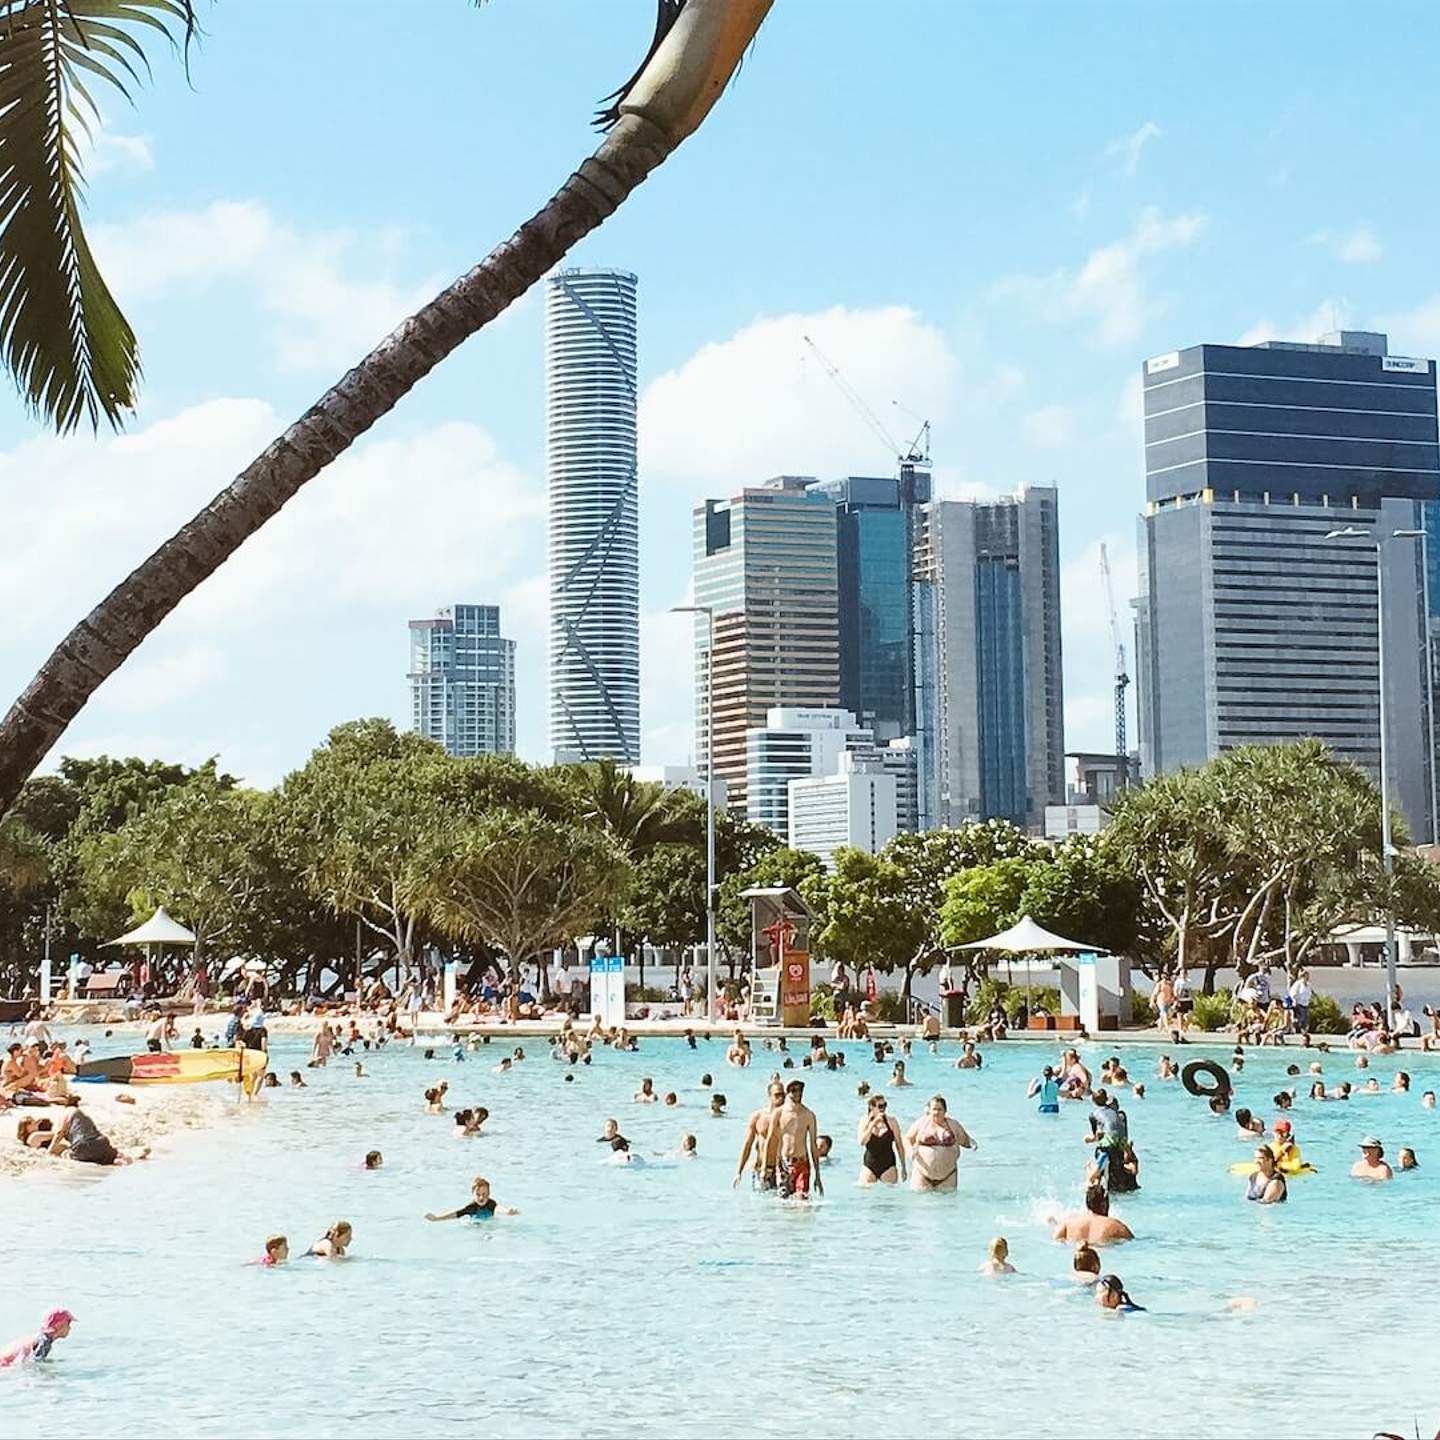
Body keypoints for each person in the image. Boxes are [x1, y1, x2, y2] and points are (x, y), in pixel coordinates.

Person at [905, 1095, 975, 1192]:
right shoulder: (921, 1123)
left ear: (945, 1111)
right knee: (921, 1206)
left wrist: (972, 1144)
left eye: (940, 1109)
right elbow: (908, 1139)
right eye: (934, 1109)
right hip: (922, 1175)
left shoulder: (953, 1125)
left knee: (947, 1206)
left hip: (948, 1176)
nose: (936, 1112)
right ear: (929, 1110)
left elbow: (965, 1140)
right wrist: (910, 1151)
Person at [772, 1079, 823, 1199]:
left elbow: (813, 1146)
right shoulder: (779, 1113)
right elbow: (771, 1139)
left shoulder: (809, 1115)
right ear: (787, 1093)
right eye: (793, 1090)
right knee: (784, 1202)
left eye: (800, 1090)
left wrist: (818, 1176)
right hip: (784, 1163)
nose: (797, 1093)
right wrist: (766, 1166)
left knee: (802, 1201)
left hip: (802, 1163)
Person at [733, 1080, 785, 1189]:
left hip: (782, 1169)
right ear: (769, 1096)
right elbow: (747, 1145)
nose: (781, 1098)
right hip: (761, 1169)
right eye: (777, 1095)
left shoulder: (788, 1117)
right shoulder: (758, 1117)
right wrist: (739, 1172)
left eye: (783, 1094)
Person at [1052, 1183, 1133, 1245]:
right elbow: (1133, 1243)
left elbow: (1055, 1239)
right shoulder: (1117, 1227)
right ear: (1104, 1205)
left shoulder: (1067, 1224)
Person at [857, 1094, 906, 1185]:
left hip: (888, 1165)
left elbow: (899, 1145)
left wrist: (903, 1166)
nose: (883, 1109)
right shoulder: (864, 1120)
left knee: (889, 1196)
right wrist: (873, 1123)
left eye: (885, 1105)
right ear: (872, 1107)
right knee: (865, 1194)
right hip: (870, 1164)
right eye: (880, 1106)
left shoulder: (892, 1121)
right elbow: (862, 1142)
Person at [0, 1308, 74, 1367]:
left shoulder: (40, 1337)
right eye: (68, 1323)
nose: (70, 1328)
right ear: (59, 1325)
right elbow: (34, 1366)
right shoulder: (44, 1342)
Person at [426, 1175, 518, 1221]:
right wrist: (437, 1218)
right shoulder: (472, 1207)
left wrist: (507, 1211)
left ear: (489, 1194)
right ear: (473, 1194)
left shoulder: (491, 1204)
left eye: (484, 1194)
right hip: (475, 1226)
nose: (481, 1197)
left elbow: (498, 1208)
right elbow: (456, 1214)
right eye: (478, 1194)